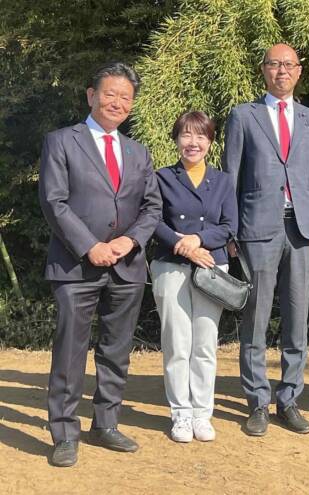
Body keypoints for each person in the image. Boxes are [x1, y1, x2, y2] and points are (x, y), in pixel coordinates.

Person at [38, 62, 162, 467]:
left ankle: (106, 423)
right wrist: (89, 246)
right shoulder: (61, 141)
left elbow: (152, 207)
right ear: (91, 95)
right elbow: (53, 202)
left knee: (116, 349)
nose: (117, 102)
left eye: (126, 97)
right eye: (110, 94)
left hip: (126, 266)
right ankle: (64, 432)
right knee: (69, 350)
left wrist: (131, 240)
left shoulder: (138, 152)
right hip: (76, 266)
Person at [222, 43, 309, 436]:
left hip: (303, 229)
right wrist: (229, 229)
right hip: (256, 229)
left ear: (299, 71)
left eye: (288, 65)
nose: (281, 71)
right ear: (263, 70)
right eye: (274, 64)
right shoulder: (243, 116)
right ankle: (257, 402)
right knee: (256, 317)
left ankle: (289, 399)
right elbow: (230, 175)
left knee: (297, 317)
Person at [150, 111, 238, 443]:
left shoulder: (223, 181)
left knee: (204, 343)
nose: (193, 142)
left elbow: (229, 226)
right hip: (170, 265)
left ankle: (202, 413)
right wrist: (185, 247)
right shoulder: (161, 177)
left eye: (201, 136)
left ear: (210, 142)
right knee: (176, 343)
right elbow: (154, 221)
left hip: (211, 267)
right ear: (176, 139)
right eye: (186, 135)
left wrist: (199, 240)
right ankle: (181, 415)